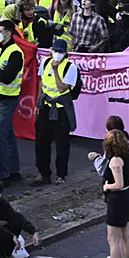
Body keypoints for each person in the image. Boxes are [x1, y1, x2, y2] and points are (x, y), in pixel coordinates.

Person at [90, 128, 129, 258]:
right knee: (126, 235)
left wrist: (106, 186)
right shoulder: (128, 156)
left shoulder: (116, 160)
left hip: (118, 201)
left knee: (113, 239)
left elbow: (118, 184)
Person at [31, 39, 78, 187]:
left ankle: (61, 175)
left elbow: (63, 88)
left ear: (65, 53)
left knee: (62, 144)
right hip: (45, 107)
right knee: (41, 143)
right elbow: (41, 83)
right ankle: (43, 173)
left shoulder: (70, 68)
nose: (57, 54)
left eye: (60, 52)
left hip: (60, 109)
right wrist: (38, 103)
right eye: (55, 51)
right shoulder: (45, 62)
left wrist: (56, 69)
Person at [0, 21, 25, 187]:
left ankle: (4, 175)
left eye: (1, 31)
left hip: (8, 99)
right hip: (0, 97)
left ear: (9, 33)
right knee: (8, 136)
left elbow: (7, 77)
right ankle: (14, 171)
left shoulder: (15, 53)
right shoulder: (0, 48)